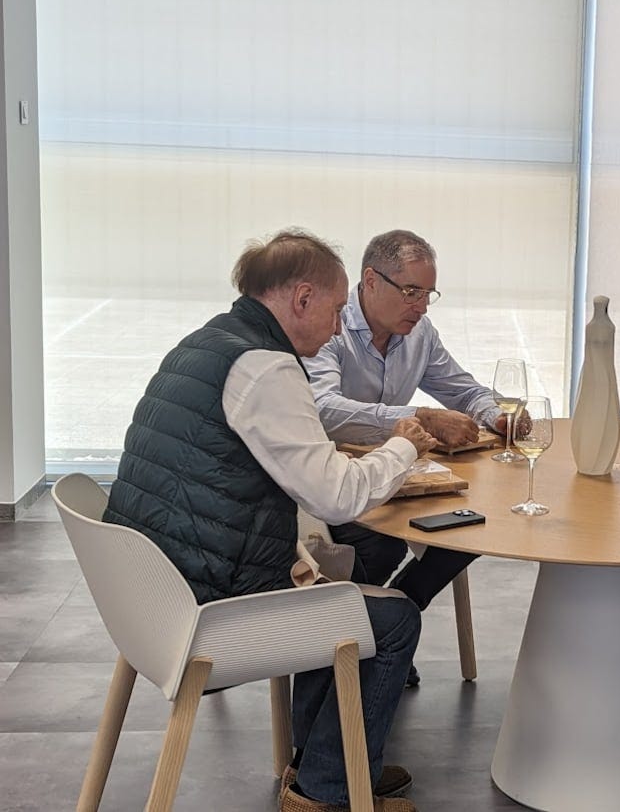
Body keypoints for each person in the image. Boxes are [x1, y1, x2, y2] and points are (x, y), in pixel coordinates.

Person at [104, 230, 437, 812]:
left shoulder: (207, 342)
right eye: (336, 311)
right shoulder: (266, 368)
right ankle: (327, 792)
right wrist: (403, 445)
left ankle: (331, 764)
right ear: (302, 297)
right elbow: (334, 497)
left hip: (147, 600)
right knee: (391, 619)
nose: (339, 328)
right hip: (207, 616)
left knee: (334, 587)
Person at [306, 230, 499, 610]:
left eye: (429, 295)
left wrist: (498, 415)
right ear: (372, 280)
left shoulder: (419, 333)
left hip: (397, 477)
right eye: (412, 292)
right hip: (332, 482)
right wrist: (419, 417)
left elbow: (465, 392)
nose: (422, 307)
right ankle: (353, 638)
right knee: (383, 544)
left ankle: (397, 610)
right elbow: (323, 410)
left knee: (477, 520)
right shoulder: (330, 325)